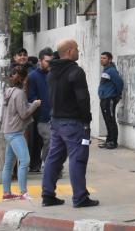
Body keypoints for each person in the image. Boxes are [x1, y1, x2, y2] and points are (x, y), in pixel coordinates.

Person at [41, 39, 98, 208]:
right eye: (77, 49)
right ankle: (80, 197)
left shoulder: (52, 72)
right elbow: (83, 98)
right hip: (73, 123)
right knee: (77, 158)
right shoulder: (76, 72)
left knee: (53, 158)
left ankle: (48, 195)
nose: (78, 51)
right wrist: (86, 120)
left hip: (56, 122)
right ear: (69, 51)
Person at [1, 65, 41, 200]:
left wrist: (30, 104)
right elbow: (23, 114)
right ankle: (23, 192)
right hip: (15, 132)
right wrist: (35, 104)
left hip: (8, 131)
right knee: (24, 161)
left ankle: (6, 193)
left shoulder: (9, 91)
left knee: (9, 163)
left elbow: (18, 110)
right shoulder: (20, 94)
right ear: (24, 80)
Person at [27, 47, 54, 172]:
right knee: (45, 141)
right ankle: (44, 164)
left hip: (54, 116)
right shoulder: (33, 77)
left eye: (51, 61)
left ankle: (50, 164)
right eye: (47, 61)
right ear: (40, 61)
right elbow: (31, 98)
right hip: (40, 117)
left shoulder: (54, 75)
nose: (50, 64)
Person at [98, 52, 123, 150]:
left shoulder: (112, 71)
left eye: (104, 58)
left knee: (111, 120)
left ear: (110, 59)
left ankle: (113, 142)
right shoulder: (106, 70)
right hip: (104, 99)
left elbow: (120, 83)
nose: (102, 60)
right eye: (101, 58)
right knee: (107, 120)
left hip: (110, 99)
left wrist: (117, 95)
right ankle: (108, 140)